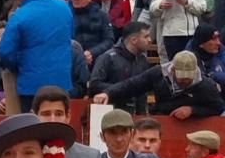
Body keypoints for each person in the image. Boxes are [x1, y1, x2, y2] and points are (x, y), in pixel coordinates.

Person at [0, 0, 73, 111]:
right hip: (61, 80)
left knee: (33, 127)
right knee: (59, 123)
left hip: (31, 85)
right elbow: (69, 36)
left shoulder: (19, 15)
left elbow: (5, 52)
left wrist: (16, 66)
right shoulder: (63, 7)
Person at [93, 50, 225, 119]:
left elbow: (218, 108)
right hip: (161, 118)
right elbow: (133, 85)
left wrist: (192, 110)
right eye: (182, 78)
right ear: (173, 70)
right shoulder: (158, 73)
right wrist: (109, 93)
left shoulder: (206, 84)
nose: (185, 81)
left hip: (193, 125)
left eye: (189, 79)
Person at [89, 21, 155, 113]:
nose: (149, 40)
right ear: (134, 40)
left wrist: (142, 115)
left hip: (135, 113)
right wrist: (123, 89)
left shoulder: (143, 60)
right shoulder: (107, 57)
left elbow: (142, 92)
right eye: (146, 36)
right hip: (110, 112)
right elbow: (94, 85)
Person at [71, 0, 114, 67]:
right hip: (73, 58)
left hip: (97, 58)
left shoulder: (101, 15)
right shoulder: (67, 14)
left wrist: (92, 52)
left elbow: (109, 40)